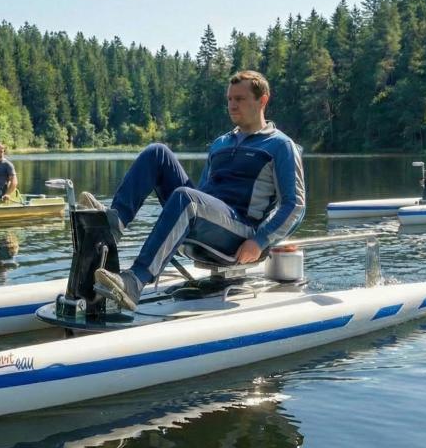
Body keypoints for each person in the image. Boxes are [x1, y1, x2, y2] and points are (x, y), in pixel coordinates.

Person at [80, 70, 305, 310]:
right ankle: (113, 225)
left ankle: (135, 281)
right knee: (157, 153)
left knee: (187, 199)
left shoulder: (280, 145)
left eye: (240, 99)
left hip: (241, 234)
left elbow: (295, 206)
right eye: (229, 99)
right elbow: (205, 191)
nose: (232, 105)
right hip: (208, 220)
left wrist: (259, 241)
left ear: (262, 100)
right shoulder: (221, 143)